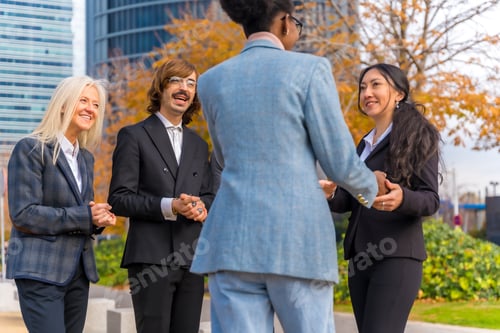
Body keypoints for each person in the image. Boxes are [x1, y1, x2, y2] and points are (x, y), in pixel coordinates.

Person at [189, 1, 385, 332]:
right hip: (297, 241)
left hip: (231, 242)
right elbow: (338, 162)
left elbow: (223, 157)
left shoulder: (210, 81)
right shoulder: (310, 70)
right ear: (284, 23)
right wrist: (372, 186)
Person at [325, 63, 441, 333]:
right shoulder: (364, 144)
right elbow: (350, 201)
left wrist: (403, 199)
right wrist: (331, 192)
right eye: (363, 87)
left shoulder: (418, 135)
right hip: (361, 258)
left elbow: (430, 200)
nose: (367, 92)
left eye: (376, 84)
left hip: (396, 256)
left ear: (399, 93)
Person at [108, 58, 215, 333]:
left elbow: (208, 195)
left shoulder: (199, 145)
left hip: (190, 258)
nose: (185, 88)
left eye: (191, 83)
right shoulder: (134, 136)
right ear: (161, 88)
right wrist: (171, 206)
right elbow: (119, 198)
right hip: (150, 258)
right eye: (177, 80)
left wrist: (201, 207)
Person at [6, 76, 116, 332]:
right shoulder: (31, 149)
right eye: (84, 100)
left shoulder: (85, 158)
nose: (91, 108)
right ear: (64, 104)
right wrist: (85, 216)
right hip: (41, 271)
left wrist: (96, 220)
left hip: (79, 272)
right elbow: (24, 214)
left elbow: (82, 214)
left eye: (96, 104)